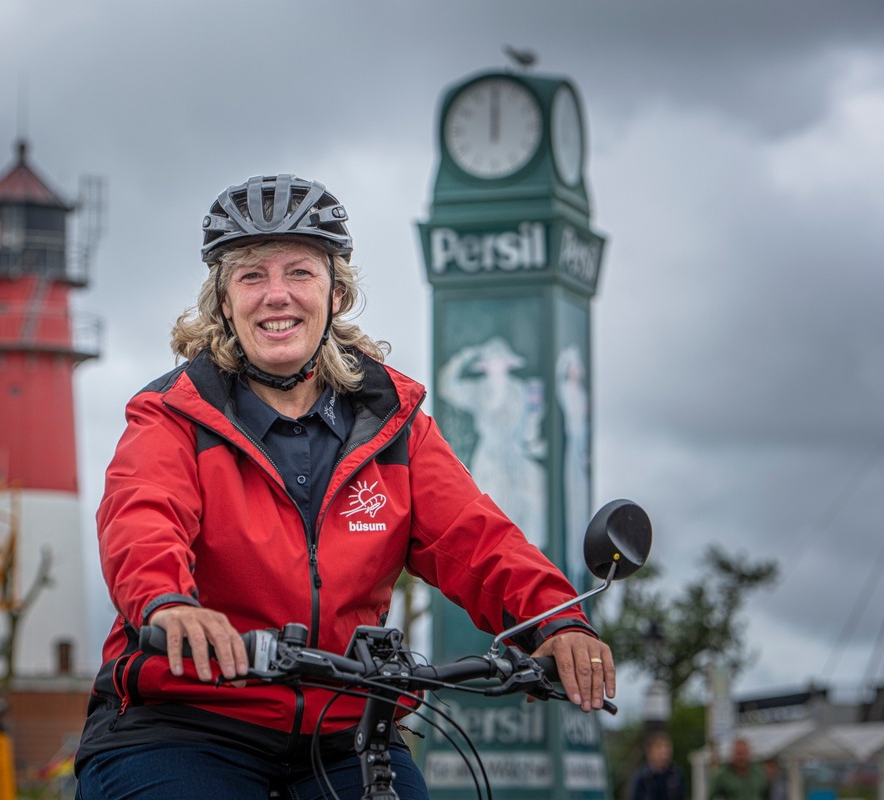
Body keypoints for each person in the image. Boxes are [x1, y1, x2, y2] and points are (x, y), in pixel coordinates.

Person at [72, 174, 615, 799]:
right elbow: (142, 518)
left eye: (299, 273)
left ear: (336, 294)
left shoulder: (393, 426)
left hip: (348, 731)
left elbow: (477, 540)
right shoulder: (173, 415)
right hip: (182, 725)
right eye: (251, 277)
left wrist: (557, 620)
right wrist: (168, 603)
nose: (276, 296)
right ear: (224, 302)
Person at [629, 731, 686, 800]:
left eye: (667, 747)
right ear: (649, 752)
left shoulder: (675, 775)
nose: (664, 751)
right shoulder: (642, 778)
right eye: (659, 747)